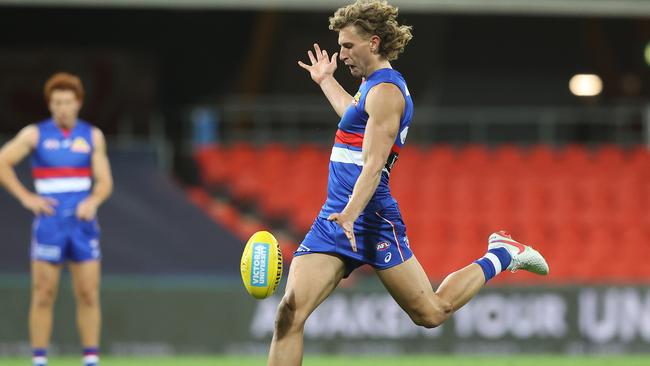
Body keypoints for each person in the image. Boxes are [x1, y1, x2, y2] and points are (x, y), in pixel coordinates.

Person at [267, 1, 549, 365]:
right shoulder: (371, 88)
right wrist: (326, 80)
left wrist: (351, 214)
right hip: (336, 219)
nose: (342, 54)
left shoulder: (388, 92)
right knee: (289, 314)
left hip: (369, 219)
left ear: (373, 42)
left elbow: (373, 165)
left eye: (348, 46)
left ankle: (503, 253)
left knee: (432, 312)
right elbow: (353, 116)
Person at [0, 72, 113, 366]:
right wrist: (27, 197)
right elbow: (3, 162)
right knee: (43, 293)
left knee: (88, 293)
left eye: (68, 101)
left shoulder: (92, 136)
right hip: (50, 224)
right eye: (57, 102)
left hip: (82, 226)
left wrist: (94, 200)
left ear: (78, 103)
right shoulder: (35, 134)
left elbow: (104, 182)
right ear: (50, 105)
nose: (62, 107)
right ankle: (39, 360)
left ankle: (90, 359)